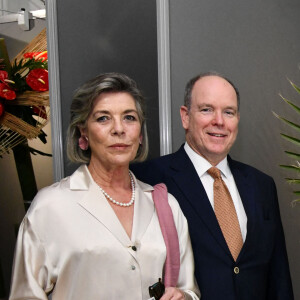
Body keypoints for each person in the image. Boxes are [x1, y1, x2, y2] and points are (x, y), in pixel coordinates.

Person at [9, 73, 200, 300]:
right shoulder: (50, 207)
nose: (119, 129)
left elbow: (189, 289)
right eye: (103, 118)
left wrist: (184, 297)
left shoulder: (165, 204)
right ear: (83, 132)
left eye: (129, 117)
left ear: (140, 134)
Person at [131, 72, 294, 300]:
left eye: (229, 112)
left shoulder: (261, 185)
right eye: (207, 109)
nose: (219, 121)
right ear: (185, 116)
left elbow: (279, 278)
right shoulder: (148, 180)